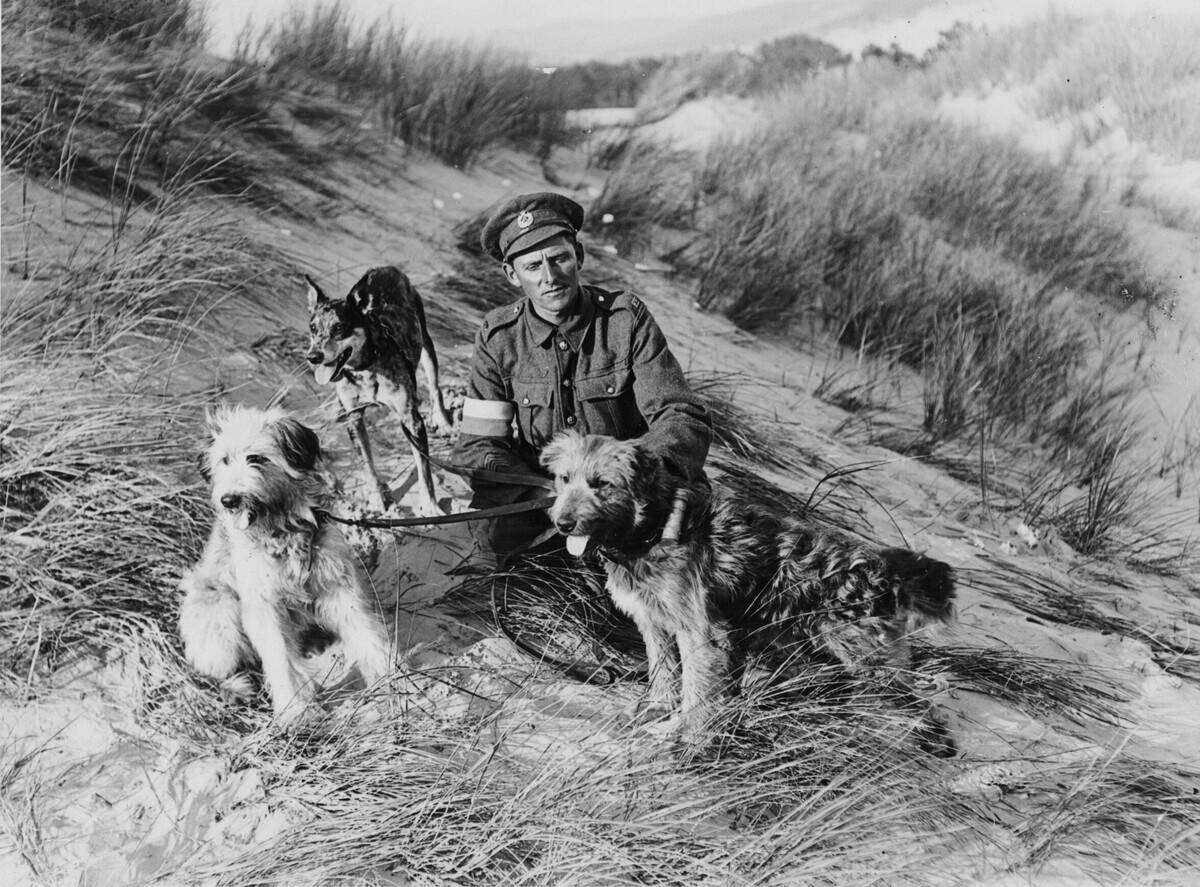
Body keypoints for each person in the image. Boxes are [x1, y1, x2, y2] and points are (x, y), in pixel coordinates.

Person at [455, 191, 712, 564]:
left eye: (558, 258)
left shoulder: (625, 321)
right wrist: (536, 491)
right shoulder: (499, 338)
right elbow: (476, 447)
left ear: (578, 254)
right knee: (499, 547)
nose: (549, 277)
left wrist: (641, 476)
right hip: (545, 502)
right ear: (512, 275)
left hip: (627, 498)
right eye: (532, 267)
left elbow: (682, 415)